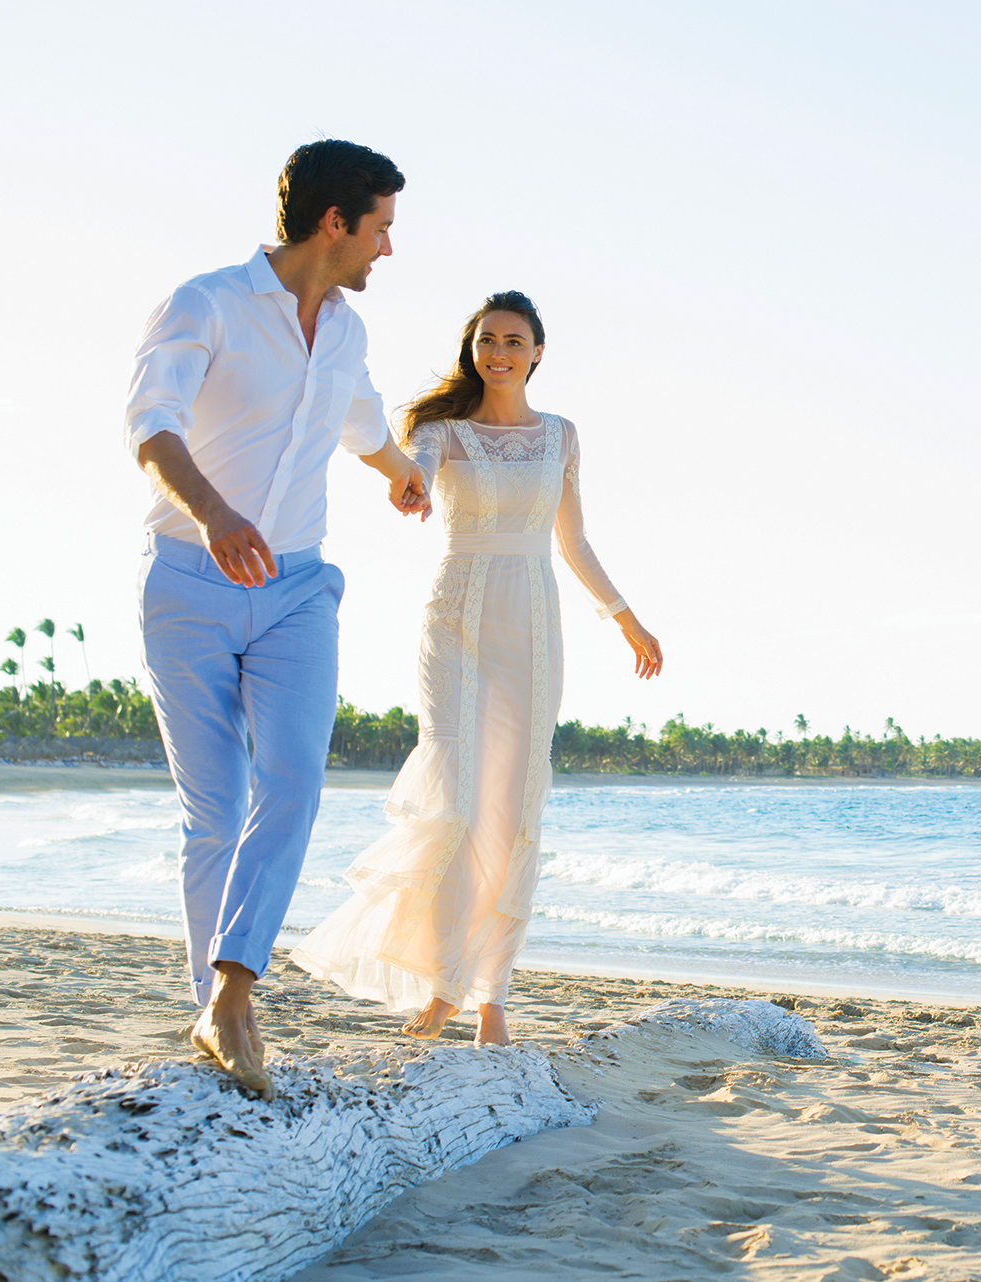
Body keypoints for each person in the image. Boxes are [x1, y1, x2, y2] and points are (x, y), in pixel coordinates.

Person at [127, 140, 426, 1100]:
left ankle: (231, 992)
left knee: (291, 781)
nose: (387, 248)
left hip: (299, 589)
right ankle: (216, 1011)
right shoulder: (205, 303)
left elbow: (363, 421)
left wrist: (401, 472)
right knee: (215, 809)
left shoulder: (344, 334)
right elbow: (152, 425)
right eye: (380, 226)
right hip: (188, 582)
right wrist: (214, 514)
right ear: (335, 223)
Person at [291, 292, 662, 1046]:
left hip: (530, 626)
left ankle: (489, 993)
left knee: (513, 807)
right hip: (455, 618)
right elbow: (412, 469)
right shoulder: (441, 431)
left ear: (537, 352)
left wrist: (626, 617)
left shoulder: (561, 436)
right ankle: (440, 984)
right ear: (473, 349)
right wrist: (409, 483)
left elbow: (574, 542)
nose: (498, 351)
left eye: (513, 341)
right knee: (455, 796)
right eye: (486, 340)